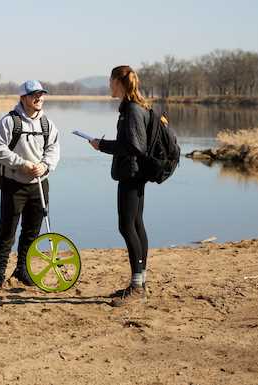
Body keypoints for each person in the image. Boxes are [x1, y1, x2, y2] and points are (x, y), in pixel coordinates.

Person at [0, 80, 61, 292]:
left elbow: (54, 150)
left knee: (31, 231)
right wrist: (23, 164)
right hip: (13, 184)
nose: (39, 98)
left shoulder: (48, 125)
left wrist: (44, 166)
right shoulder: (10, 122)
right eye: (34, 95)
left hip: (39, 185)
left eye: (41, 94)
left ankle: (22, 271)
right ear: (23, 98)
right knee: (7, 231)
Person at [89, 65, 150, 306]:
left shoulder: (132, 110)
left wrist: (102, 145)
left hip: (131, 175)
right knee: (136, 224)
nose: (108, 86)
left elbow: (135, 146)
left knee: (127, 226)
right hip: (135, 174)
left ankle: (137, 287)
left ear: (118, 82)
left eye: (110, 81)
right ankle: (140, 282)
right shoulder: (134, 107)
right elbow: (132, 143)